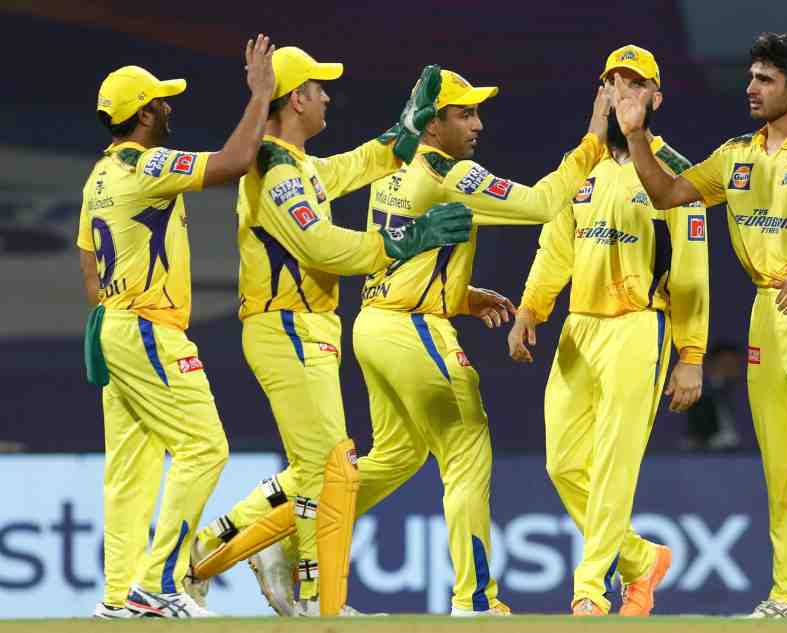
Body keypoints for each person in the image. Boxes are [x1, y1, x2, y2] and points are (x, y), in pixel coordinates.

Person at [186, 49, 471, 617]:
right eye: (320, 89)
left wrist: (405, 128)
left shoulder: (299, 166)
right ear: (297, 99)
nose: (328, 97)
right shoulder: (275, 172)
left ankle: (210, 549)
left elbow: (363, 163)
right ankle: (320, 602)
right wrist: (406, 240)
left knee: (312, 468)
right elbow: (319, 246)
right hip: (286, 326)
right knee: (332, 469)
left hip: (305, 327)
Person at [614, 32, 787, 619]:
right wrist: (635, 135)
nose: (751, 88)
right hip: (767, 314)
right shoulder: (736, 154)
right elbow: (668, 193)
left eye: (766, 79)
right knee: (780, 459)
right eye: (751, 77)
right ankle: (784, 594)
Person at [348, 68, 610, 616]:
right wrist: (593, 139)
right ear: (432, 123)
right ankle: (475, 600)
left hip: (374, 322)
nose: (478, 125)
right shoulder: (451, 172)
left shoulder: (392, 169)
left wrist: (461, 296)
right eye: (464, 114)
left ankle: (290, 536)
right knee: (467, 452)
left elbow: (400, 252)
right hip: (414, 327)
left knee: (393, 458)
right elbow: (542, 204)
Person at [78, 35, 276, 618]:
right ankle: (158, 584)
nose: (168, 108)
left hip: (115, 326)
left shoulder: (98, 176)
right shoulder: (147, 165)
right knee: (205, 447)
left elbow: (86, 255)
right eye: (160, 101)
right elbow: (234, 162)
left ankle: (118, 597)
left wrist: (112, 314)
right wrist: (260, 95)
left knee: (130, 470)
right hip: (147, 329)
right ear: (143, 115)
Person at [508, 45, 708, 616]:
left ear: (655, 99)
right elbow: (556, 245)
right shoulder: (581, 164)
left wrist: (691, 353)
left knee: (616, 463)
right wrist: (530, 309)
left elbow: (692, 270)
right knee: (563, 463)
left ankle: (589, 589)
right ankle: (640, 559)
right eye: (613, 82)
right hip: (579, 326)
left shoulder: (675, 173)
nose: (622, 92)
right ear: (601, 94)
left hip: (640, 326)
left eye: (635, 84)